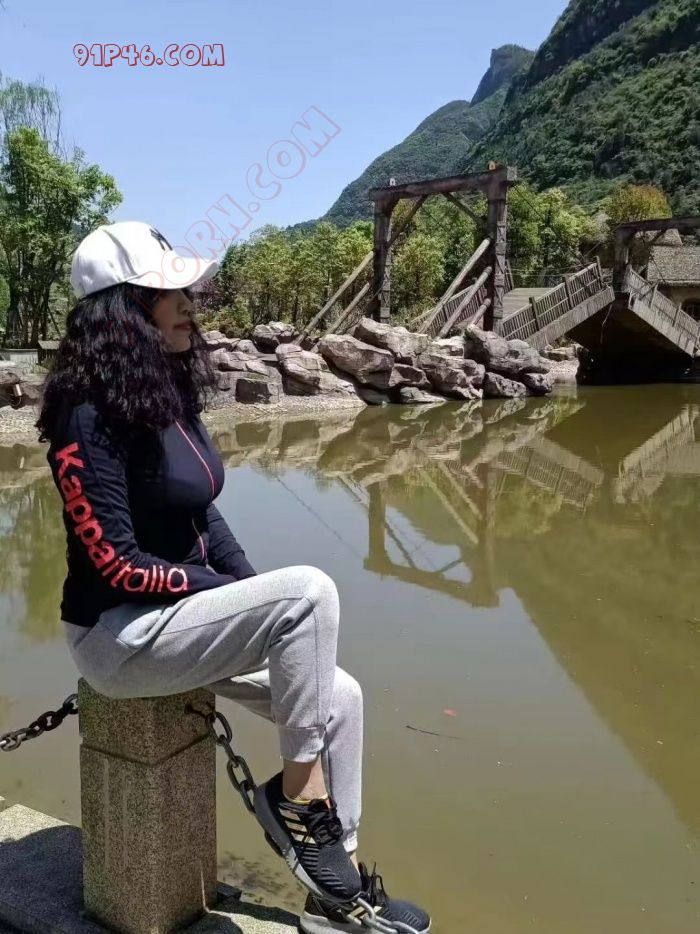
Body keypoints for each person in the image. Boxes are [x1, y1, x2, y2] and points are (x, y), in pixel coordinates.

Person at [37, 221, 431, 934]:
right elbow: (115, 564)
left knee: (340, 697)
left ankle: (333, 896)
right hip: (118, 636)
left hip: (182, 619)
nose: (189, 306)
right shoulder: (83, 416)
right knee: (308, 592)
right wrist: (245, 602)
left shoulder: (163, 392)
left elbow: (204, 517)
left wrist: (251, 590)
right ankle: (301, 803)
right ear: (126, 309)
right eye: (171, 293)